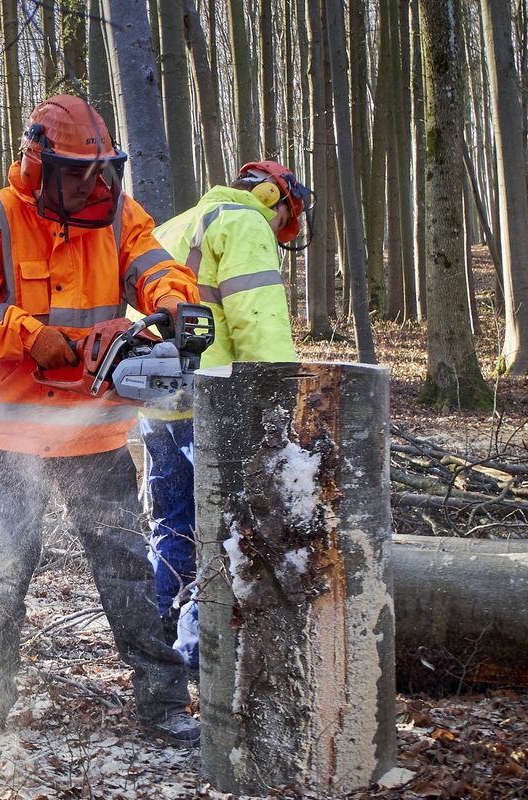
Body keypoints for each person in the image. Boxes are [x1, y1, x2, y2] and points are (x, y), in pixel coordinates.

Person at [0, 95, 202, 744]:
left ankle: (162, 704)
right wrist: (28, 335)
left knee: (127, 570)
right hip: (11, 439)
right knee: (1, 580)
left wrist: (165, 312)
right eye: (77, 171)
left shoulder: (119, 219)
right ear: (39, 163)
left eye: (99, 170)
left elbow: (161, 270)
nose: (90, 183)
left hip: (94, 434)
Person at [139, 161, 314, 668]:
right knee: (225, 525)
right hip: (214, 400)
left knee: (171, 522)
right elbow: (258, 321)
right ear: (270, 198)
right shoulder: (244, 222)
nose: (278, 228)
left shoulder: (174, 225)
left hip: (156, 399)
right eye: (282, 216)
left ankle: (160, 639)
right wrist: (279, 402)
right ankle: (199, 653)